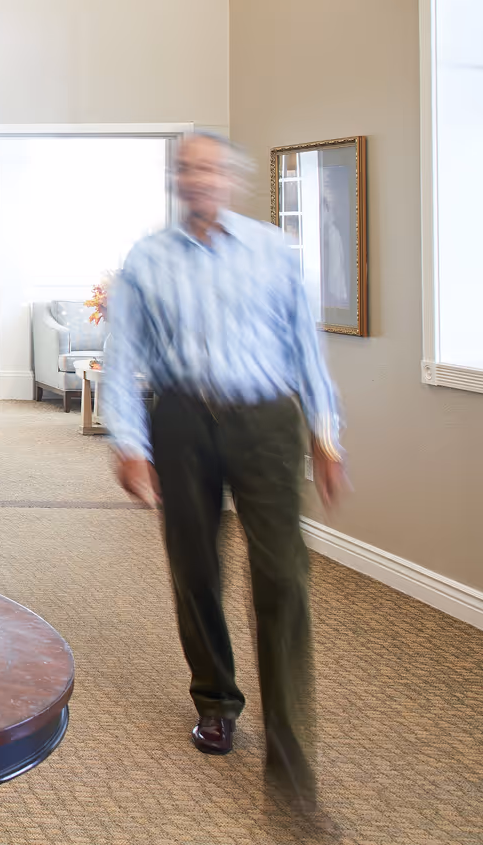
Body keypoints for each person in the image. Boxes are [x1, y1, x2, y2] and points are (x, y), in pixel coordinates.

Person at [101, 131, 350, 809]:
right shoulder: (147, 258)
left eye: (209, 166)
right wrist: (129, 443)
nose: (197, 177)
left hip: (266, 420)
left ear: (231, 177)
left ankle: (291, 757)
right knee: (194, 566)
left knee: (283, 579)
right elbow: (122, 356)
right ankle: (215, 698)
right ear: (176, 180)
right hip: (180, 419)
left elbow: (306, 347)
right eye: (186, 168)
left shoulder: (273, 249)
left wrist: (326, 433)